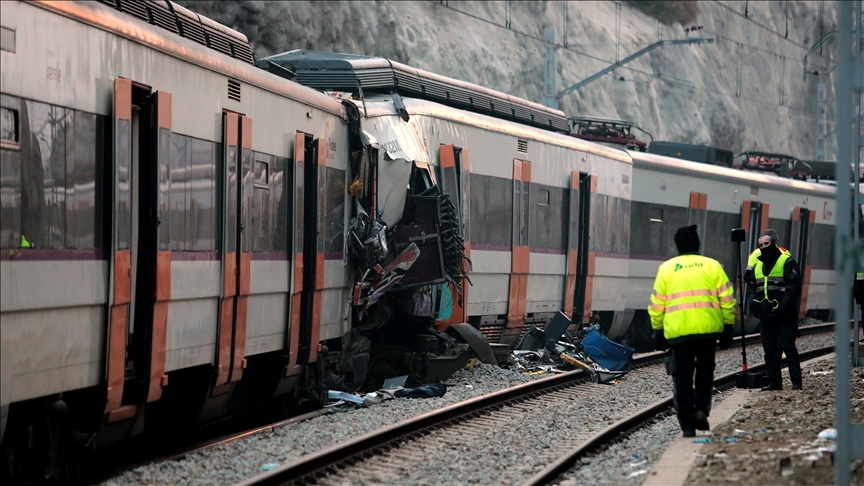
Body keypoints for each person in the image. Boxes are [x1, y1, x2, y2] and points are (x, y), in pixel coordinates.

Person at [648, 225, 735, 437]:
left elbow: (657, 305)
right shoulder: (713, 266)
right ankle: (701, 410)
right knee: (705, 372)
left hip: (678, 334)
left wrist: (658, 331)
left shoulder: (667, 269)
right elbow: (727, 300)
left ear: (676, 245)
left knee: (682, 377)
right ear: (697, 243)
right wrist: (728, 327)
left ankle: (687, 425)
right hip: (707, 331)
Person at [749, 234, 803, 391]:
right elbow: (753, 287)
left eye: (767, 243)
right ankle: (774, 382)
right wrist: (754, 305)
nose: (764, 247)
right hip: (766, 315)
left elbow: (794, 286)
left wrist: (782, 306)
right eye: (761, 245)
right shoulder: (757, 266)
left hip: (784, 315)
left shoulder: (786, 261)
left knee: (788, 347)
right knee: (770, 350)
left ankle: (796, 383)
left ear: (774, 244)